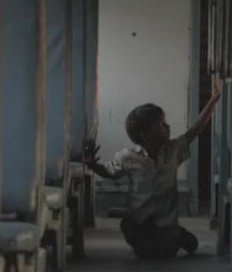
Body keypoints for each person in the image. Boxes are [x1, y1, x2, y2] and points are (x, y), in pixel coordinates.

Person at [84, 78, 222, 259]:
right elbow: (109, 172)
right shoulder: (128, 157)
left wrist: (214, 99)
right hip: (140, 223)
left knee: (174, 250)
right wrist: (93, 164)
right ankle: (164, 238)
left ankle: (176, 235)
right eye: (161, 125)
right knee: (147, 251)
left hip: (166, 223)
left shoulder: (173, 150)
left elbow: (195, 130)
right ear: (145, 134)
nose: (168, 127)